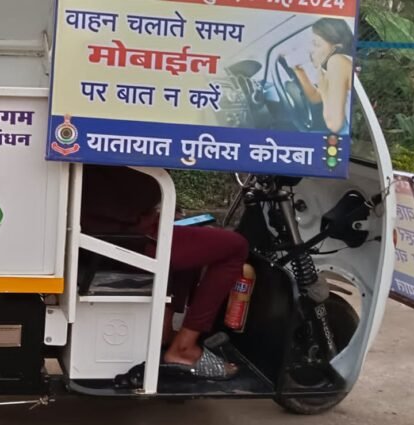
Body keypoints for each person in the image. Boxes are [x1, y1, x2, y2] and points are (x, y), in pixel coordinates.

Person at [81, 165, 247, 380]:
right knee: (235, 246)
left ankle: (163, 332)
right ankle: (183, 349)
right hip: (123, 235)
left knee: (194, 243)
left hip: (111, 227)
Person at [288, 18, 355, 134]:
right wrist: (298, 71)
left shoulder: (337, 61)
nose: (310, 50)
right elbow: (315, 97)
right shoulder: (336, 65)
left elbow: (334, 125)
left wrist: (323, 89)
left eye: (316, 44)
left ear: (336, 48)